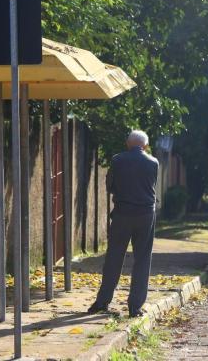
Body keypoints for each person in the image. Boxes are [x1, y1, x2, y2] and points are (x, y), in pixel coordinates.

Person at [87, 130, 159, 317]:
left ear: (128, 144)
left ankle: (102, 301)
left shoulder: (117, 160)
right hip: (145, 215)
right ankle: (135, 307)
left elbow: (110, 186)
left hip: (122, 214)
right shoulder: (153, 162)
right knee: (142, 259)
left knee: (114, 257)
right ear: (145, 145)